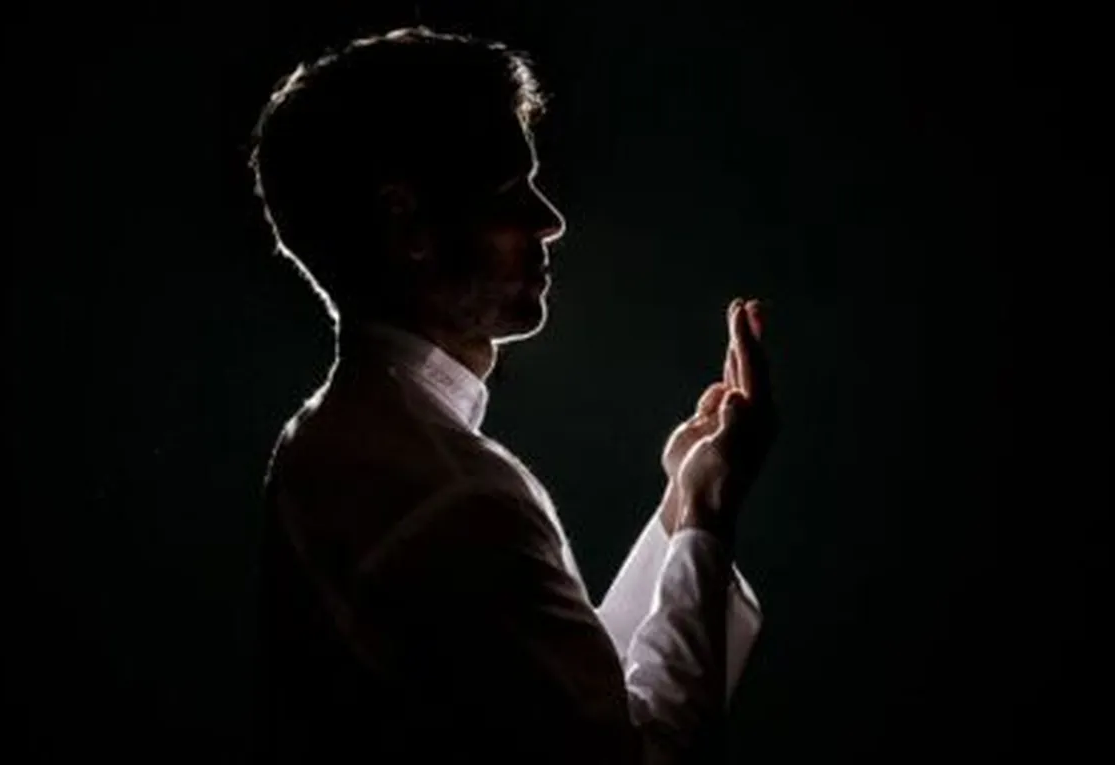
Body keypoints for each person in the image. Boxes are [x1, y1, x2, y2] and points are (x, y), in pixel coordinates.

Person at [248, 26, 778, 763]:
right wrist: (709, 516)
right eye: (507, 191)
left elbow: (558, 700)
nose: (550, 221)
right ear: (408, 223)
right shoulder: (455, 498)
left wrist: (681, 509)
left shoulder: (319, 446)